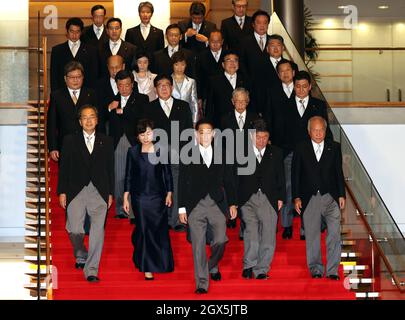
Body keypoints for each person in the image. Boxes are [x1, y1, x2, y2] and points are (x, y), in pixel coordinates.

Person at [178, 118, 238, 294]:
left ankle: (211, 264)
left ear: (213, 135)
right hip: (195, 205)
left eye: (208, 132)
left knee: (220, 240)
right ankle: (202, 282)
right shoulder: (187, 154)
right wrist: (181, 208)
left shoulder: (223, 153)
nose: (205, 135)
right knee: (198, 246)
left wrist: (233, 203)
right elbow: (182, 182)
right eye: (201, 132)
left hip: (217, 204)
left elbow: (229, 180)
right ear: (196, 135)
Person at [58, 104, 114, 282]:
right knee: (74, 229)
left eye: (92, 117)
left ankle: (91, 270)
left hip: (99, 191)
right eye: (85, 117)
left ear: (97, 120)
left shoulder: (106, 141)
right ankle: (80, 252)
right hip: (76, 190)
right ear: (80, 121)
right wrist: (62, 191)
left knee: (98, 232)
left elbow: (110, 169)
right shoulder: (69, 140)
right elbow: (64, 168)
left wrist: (110, 193)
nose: (89, 120)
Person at [292, 116, 345, 280]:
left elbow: (339, 172)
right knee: (313, 235)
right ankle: (315, 268)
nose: (318, 133)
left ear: (325, 130)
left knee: (334, 234)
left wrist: (341, 194)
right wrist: (296, 197)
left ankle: (332, 270)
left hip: (331, 197)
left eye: (321, 129)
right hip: (310, 198)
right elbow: (295, 175)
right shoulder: (300, 148)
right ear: (309, 131)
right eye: (315, 130)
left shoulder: (334, 147)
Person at [284, 70, 333, 239]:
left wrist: (332, 150)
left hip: (313, 155)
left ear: (310, 87)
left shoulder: (318, 105)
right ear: (293, 87)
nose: (301, 89)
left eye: (304, 86)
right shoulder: (285, 103)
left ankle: (307, 227)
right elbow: (279, 129)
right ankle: (287, 225)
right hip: (290, 153)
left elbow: (326, 130)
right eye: (298, 86)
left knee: (309, 190)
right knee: (290, 188)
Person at [123, 119, 174, 280]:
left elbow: (167, 173)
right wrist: (126, 196)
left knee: (158, 229)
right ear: (137, 136)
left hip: (158, 197)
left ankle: (160, 261)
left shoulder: (161, 150)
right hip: (140, 198)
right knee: (144, 229)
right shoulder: (132, 152)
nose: (145, 137)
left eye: (148, 133)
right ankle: (147, 266)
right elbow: (129, 176)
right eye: (142, 134)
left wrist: (169, 192)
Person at [143, 74, 193, 231]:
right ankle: (161, 220)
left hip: (179, 154)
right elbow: (146, 134)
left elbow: (188, 132)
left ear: (172, 87)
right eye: (160, 85)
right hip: (157, 155)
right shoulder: (149, 108)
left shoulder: (183, 106)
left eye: (166, 85)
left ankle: (176, 220)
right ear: (155, 89)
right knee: (159, 187)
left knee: (177, 185)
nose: (163, 88)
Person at [238, 119, 285, 279]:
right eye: (258, 137)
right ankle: (249, 265)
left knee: (268, 234)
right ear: (251, 136)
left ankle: (262, 269)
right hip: (247, 198)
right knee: (251, 232)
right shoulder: (241, 152)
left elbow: (281, 176)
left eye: (265, 137)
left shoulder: (276, 152)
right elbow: (234, 178)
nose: (261, 141)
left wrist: (281, 197)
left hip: (269, 197)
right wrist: (234, 200)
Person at [107, 70, 149, 220]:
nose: (124, 88)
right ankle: (120, 209)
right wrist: (110, 109)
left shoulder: (142, 99)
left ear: (132, 84)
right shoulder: (111, 100)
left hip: (135, 141)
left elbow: (140, 116)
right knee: (119, 176)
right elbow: (104, 118)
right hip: (118, 142)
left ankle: (134, 210)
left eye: (127, 85)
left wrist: (120, 110)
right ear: (117, 86)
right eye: (120, 85)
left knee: (136, 176)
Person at [220, 88, 258, 232]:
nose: (240, 104)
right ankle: (231, 215)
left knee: (246, 189)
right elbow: (221, 142)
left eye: (243, 101)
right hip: (231, 160)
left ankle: (244, 220)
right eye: (237, 101)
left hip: (249, 160)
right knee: (231, 187)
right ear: (232, 102)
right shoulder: (225, 119)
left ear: (247, 102)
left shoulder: (255, 118)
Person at [266, 59, 296, 239]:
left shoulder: (301, 90)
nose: (285, 73)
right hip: (278, 147)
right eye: (281, 71)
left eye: (288, 70)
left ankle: (294, 224)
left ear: (293, 72)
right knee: (283, 185)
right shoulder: (272, 92)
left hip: (299, 146)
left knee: (295, 186)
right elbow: (268, 117)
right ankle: (284, 224)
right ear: (278, 75)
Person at [47, 61, 99, 162]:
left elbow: (97, 120)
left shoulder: (91, 94)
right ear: (65, 79)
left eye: (78, 77)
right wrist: (53, 147)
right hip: (65, 144)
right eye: (72, 77)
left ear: (83, 77)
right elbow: (52, 124)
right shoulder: (56, 96)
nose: (76, 80)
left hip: (88, 143)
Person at [50, 17, 98, 91]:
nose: (74, 35)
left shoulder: (91, 50)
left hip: (85, 94)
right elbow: (54, 77)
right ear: (67, 31)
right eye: (72, 31)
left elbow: (94, 76)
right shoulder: (57, 50)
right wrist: (55, 96)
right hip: (63, 94)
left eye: (77, 32)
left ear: (81, 32)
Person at [205, 51, 251, 128]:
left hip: (242, 125)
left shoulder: (246, 80)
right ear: (223, 64)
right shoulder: (214, 81)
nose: (232, 63)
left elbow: (251, 104)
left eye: (235, 60)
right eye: (228, 60)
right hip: (220, 124)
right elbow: (209, 106)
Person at [239, 10, 271, 117]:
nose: (262, 25)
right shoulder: (244, 41)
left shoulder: (273, 41)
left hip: (270, 90)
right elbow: (241, 64)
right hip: (251, 89)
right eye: (259, 22)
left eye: (265, 22)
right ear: (253, 24)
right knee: (252, 121)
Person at [197, 30, 226, 102]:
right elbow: (199, 78)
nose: (215, 44)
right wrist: (199, 97)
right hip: (207, 95)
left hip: (225, 94)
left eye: (218, 41)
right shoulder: (201, 56)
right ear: (208, 41)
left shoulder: (228, 55)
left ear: (222, 41)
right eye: (213, 41)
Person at [171, 51, 199, 125]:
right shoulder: (167, 81)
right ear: (172, 65)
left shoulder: (191, 82)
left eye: (182, 65)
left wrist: (195, 121)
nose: (179, 68)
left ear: (186, 65)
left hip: (187, 117)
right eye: (176, 65)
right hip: (171, 117)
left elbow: (194, 102)